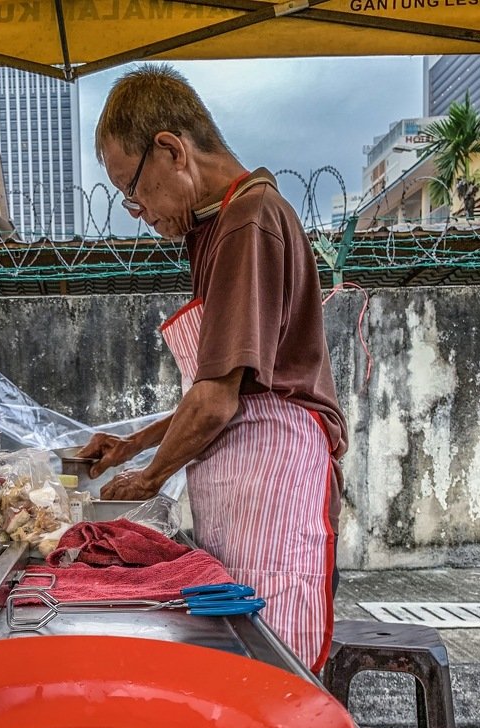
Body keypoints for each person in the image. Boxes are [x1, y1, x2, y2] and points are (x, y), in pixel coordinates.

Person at [78, 64, 348, 673]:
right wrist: (134, 444)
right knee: (240, 648)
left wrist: (148, 478)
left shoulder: (249, 221)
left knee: (273, 662)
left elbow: (220, 401)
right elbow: (222, 385)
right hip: (245, 475)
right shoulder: (220, 226)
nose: (137, 210)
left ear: (171, 150)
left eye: (134, 189)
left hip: (275, 473)